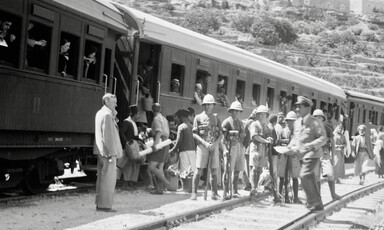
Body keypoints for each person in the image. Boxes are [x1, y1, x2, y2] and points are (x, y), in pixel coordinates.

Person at [288, 96, 327, 212]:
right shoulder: (297, 123)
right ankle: (317, 203)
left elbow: (323, 137)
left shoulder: (315, 122)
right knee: (309, 177)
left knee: (304, 175)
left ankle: (312, 201)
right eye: (296, 107)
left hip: (312, 154)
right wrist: (289, 147)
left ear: (307, 108)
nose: (297, 110)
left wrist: (311, 145)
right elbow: (295, 138)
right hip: (301, 155)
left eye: (299, 107)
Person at [94, 93, 123, 212]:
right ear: (106, 101)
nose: (116, 103)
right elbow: (108, 136)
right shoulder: (106, 115)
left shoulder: (101, 113)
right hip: (108, 153)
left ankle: (100, 203)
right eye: (114, 101)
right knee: (108, 180)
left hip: (101, 151)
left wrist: (114, 114)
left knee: (101, 178)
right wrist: (112, 153)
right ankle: (105, 206)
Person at [191, 94, 222, 200]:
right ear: (203, 105)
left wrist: (215, 144)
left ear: (213, 105)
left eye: (210, 104)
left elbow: (221, 134)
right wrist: (204, 143)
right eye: (206, 104)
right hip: (202, 146)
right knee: (198, 169)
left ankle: (214, 193)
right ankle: (194, 193)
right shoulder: (198, 117)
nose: (208, 106)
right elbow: (194, 134)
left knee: (214, 170)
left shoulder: (217, 118)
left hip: (214, 146)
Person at [313, 109, 340, 200]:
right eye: (315, 117)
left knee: (330, 173)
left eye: (319, 117)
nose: (317, 119)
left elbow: (333, 142)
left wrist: (333, 157)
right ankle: (318, 197)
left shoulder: (327, 128)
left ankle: (333, 194)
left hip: (325, 153)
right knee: (316, 176)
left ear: (322, 118)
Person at [221, 101, 245, 200]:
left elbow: (243, 136)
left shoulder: (240, 123)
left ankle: (234, 191)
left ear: (239, 112)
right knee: (228, 170)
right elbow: (222, 137)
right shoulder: (226, 122)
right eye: (233, 111)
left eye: (237, 111)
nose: (235, 112)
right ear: (230, 111)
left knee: (237, 170)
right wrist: (225, 149)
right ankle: (226, 191)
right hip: (230, 147)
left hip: (239, 147)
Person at [277, 111, 302, 204]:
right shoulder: (283, 131)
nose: (290, 123)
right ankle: (281, 195)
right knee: (282, 177)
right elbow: (278, 143)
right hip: (284, 156)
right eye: (289, 121)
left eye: (292, 121)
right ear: (286, 122)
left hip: (294, 157)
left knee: (295, 177)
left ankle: (295, 197)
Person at [148, 103, 172, 194]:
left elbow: (159, 132)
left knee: (151, 167)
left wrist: (155, 144)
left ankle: (166, 182)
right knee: (160, 167)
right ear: (160, 110)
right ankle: (159, 189)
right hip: (166, 143)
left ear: (152, 110)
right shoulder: (164, 119)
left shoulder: (156, 119)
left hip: (160, 143)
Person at [249, 105, 273, 196]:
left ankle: (256, 187)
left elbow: (268, 135)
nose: (262, 116)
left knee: (259, 169)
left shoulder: (265, 126)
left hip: (263, 149)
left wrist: (270, 138)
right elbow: (255, 136)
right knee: (254, 168)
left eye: (264, 114)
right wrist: (266, 141)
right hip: (255, 147)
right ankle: (253, 188)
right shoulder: (254, 124)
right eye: (260, 114)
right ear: (257, 115)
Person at [117, 105, 141, 190]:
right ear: (135, 114)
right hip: (129, 147)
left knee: (133, 165)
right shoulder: (127, 122)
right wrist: (126, 143)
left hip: (133, 147)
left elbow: (134, 136)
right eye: (138, 114)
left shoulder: (133, 123)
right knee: (127, 166)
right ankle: (125, 184)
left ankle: (130, 182)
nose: (139, 116)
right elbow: (122, 132)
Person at [169, 109, 196, 176]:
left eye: (178, 118)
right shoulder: (191, 126)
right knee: (192, 171)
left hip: (184, 152)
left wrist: (172, 150)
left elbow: (179, 141)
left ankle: (186, 186)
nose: (177, 121)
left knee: (185, 173)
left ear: (181, 117)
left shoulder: (181, 127)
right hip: (193, 152)